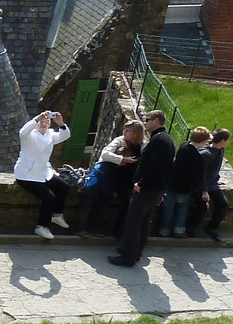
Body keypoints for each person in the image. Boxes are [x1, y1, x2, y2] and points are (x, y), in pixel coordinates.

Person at [109, 109, 175, 267]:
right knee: (144, 221)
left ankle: (128, 256)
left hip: (147, 188)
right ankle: (135, 251)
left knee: (133, 221)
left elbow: (156, 166)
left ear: (157, 121)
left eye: (147, 120)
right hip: (156, 188)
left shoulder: (158, 140)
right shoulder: (166, 139)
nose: (145, 123)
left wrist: (141, 183)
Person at [14, 111, 72, 239]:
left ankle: (56, 215)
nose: (44, 124)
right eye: (41, 122)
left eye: (47, 122)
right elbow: (23, 131)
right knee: (49, 197)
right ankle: (41, 227)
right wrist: (36, 118)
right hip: (26, 175)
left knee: (63, 186)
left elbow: (65, 135)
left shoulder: (49, 135)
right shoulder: (29, 136)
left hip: (43, 172)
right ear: (36, 124)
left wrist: (61, 123)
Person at [78, 121, 142, 237]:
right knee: (90, 196)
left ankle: (99, 230)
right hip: (103, 172)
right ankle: (82, 228)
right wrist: (122, 159)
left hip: (117, 177)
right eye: (124, 130)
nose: (124, 132)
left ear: (136, 133)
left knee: (106, 202)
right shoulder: (119, 141)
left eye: (128, 131)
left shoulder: (141, 146)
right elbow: (105, 154)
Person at [158, 127, 211, 238]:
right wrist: (202, 190)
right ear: (202, 141)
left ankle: (164, 231)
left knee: (167, 210)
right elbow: (199, 177)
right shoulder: (198, 158)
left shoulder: (183, 146)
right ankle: (179, 230)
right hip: (185, 188)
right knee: (182, 209)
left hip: (171, 184)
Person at [195, 128, 232, 241]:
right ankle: (190, 228)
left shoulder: (220, 150)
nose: (229, 142)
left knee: (223, 204)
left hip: (212, 183)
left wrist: (216, 179)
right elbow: (201, 174)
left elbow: (214, 169)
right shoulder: (206, 154)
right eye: (228, 140)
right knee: (202, 207)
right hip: (201, 185)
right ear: (222, 141)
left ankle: (212, 228)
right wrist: (204, 191)